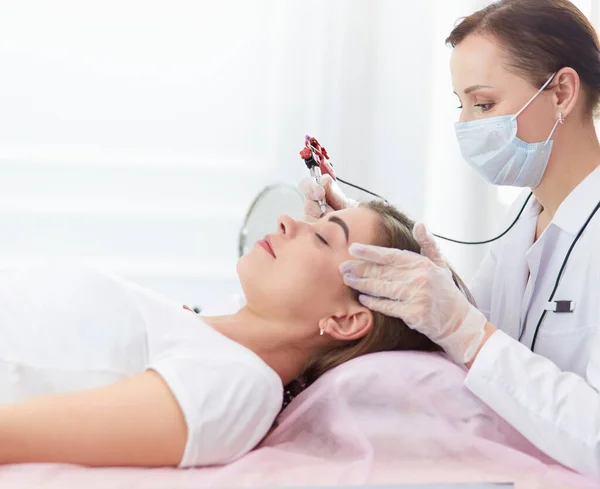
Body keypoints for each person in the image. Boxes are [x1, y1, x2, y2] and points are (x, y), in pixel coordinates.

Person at [300, 0, 600, 477]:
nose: (465, 126)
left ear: (561, 91)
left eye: (483, 104)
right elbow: (490, 347)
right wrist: (438, 286)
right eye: (461, 105)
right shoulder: (524, 230)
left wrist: (464, 329)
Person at [0, 201, 472, 468]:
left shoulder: (238, 386)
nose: (287, 220)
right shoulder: (197, 329)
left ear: (345, 320)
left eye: (323, 236)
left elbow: (13, 436)